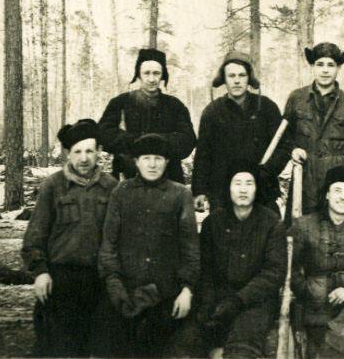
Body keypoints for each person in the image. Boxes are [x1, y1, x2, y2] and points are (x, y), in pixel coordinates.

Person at [21, 119, 118, 357]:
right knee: (58, 348)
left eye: (89, 151)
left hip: (100, 281)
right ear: (68, 154)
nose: (83, 158)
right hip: (62, 279)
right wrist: (41, 272)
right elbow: (35, 236)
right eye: (77, 151)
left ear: (99, 153)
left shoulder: (112, 187)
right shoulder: (53, 186)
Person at [97, 134, 200, 357]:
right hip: (126, 289)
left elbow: (190, 248)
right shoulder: (121, 193)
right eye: (146, 158)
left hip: (166, 292)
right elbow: (109, 245)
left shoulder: (180, 194)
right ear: (136, 161)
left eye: (158, 158)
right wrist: (114, 284)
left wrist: (187, 289)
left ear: (167, 162)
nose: (152, 164)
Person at [197, 159, 287, 358]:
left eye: (249, 183)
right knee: (189, 342)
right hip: (219, 297)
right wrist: (208, 303)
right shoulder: (214, 222)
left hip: (255, 303)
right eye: (237, 183)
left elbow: (274, 273)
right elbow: (205, 268)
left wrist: (239, 300)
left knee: (242, 345)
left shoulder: (271, 223)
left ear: (257, 188)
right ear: (229, 188)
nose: (243, 190)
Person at [289, 166, 344, 358]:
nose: (343, 197)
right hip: (314, 309)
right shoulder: (304, 226)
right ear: (328, 194)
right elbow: (291, 268)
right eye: (337, 190)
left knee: (340, 344)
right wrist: (309, 290)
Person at [192, 51, 288, 213]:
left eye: (242, 75)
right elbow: (203, 154)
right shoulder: (213, 112)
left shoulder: (266, 108)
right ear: (224, 79)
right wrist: (199, 191)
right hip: (222, 192)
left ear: (249, 78)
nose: (237, 81)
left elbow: (284, 146)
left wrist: (266, 171)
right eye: (231, 76)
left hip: (261, 189)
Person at [98, 48, 196, 183]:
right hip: (128, 178)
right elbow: (104, 134)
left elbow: (187, 141)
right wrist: (135, 141)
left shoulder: (174, 105)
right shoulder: (121, 102)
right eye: (147, 73)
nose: (152, 79)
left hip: (169, 180)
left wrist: (157, 142)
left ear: (162, 76)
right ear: (138, 75)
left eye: (156, 73)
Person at [283, 43, 344, 215]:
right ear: (312, 67)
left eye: (331, 65)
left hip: (335, 182)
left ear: (339, 68)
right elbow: (285, 136)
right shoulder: (296, 99)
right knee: (299, 233)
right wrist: (293, 150)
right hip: (304, 180)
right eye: (320, 64)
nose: (325, 70)